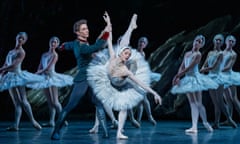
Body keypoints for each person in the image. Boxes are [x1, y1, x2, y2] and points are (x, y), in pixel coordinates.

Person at [87, 13, 162, 139]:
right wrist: (108, 22)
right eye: (125, 53)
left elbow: (140, 83)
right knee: (121, 45)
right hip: (109, 81)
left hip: (122, 84)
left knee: (125, 106)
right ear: (121, 54)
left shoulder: (126, 70)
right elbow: (110, 38)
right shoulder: (113, 56)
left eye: (129, 54)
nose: (127, 55)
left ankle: (119, 132)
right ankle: (131, 27)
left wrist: (155, 93)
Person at [51, 11, 112, 140]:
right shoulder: (81, 47)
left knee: (99, 103)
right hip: (83, 78)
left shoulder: (76, 43)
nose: (87, 31)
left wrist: (61, 47)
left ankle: (106, 133)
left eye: (87, 28)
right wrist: (106, 31)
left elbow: (68, 45)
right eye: (83, 29)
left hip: (91, 78)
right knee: (70, 105)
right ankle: (55, 132)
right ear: (78, 32)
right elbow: (97, 46)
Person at [171, 35, 218, 133]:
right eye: (196, 40)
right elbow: (182, 66)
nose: (197, 43)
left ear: (201, 45)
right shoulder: (187, 53)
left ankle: (205, 123)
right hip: (188, 79)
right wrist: (178, 76)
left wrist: (177, 76)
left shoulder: (198, 54)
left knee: (198, 103)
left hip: (195, 78)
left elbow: (189, 68)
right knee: (192, 103)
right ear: (194, 41)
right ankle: (194, 127)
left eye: (200, 42)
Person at [0, 32, 43, 131]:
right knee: (16, 102)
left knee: (23, 100)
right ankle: (16, 125)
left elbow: (14, 65)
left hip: (18, 76)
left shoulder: (22, 52)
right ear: (16, 37)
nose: (20, 40)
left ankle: (33, 121)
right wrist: (1, 73)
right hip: (10, 77)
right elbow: (6, 63)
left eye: (22, 39)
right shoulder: (10, 52)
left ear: (24, 41)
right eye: (19, 38)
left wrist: (2, 70)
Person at [27, 36, 73, 127]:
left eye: (55, 42)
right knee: (49, 102)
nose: (53, 44)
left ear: (57, 45)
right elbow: (40, 66)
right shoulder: (44, 54)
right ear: (49, 42)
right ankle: (51, 121)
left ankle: (63, 119)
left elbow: (47, 68)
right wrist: (37, 74)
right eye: (52, 42)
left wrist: (37, 72)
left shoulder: (55, 55)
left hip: (52, 77)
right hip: (44, 78)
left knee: (55, 101)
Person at [200, 34, 237, 129]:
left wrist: (203, 70)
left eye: (220, 40)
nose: (218, 42)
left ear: (222, 42)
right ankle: (216, 123)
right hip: (210, 77)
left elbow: (213, 67)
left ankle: (229, 119)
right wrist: (203, 69)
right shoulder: (210, 53)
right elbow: (205, 64)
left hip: (218, 77)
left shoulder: (221, 54)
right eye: (217, 40)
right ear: (214, 40)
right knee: (215, 102)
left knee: (220, 101)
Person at [128, 36, 162, 127]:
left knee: (143, 98)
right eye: (140, 41)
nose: (141, 43)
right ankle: (143, 118)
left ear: (145, 45)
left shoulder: (143, 53)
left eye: (143, 42)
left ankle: (140, 120)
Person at [221, 35, 240, 125]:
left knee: (234, 99)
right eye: (229, 41)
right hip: (222, 77)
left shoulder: (233, 54)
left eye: (233, 41)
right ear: (226, 42)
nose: (231, 43)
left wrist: (217, 71)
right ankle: (229, 119)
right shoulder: (221, 53)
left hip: (230, 76)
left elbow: (228, 67)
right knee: (227, 99)